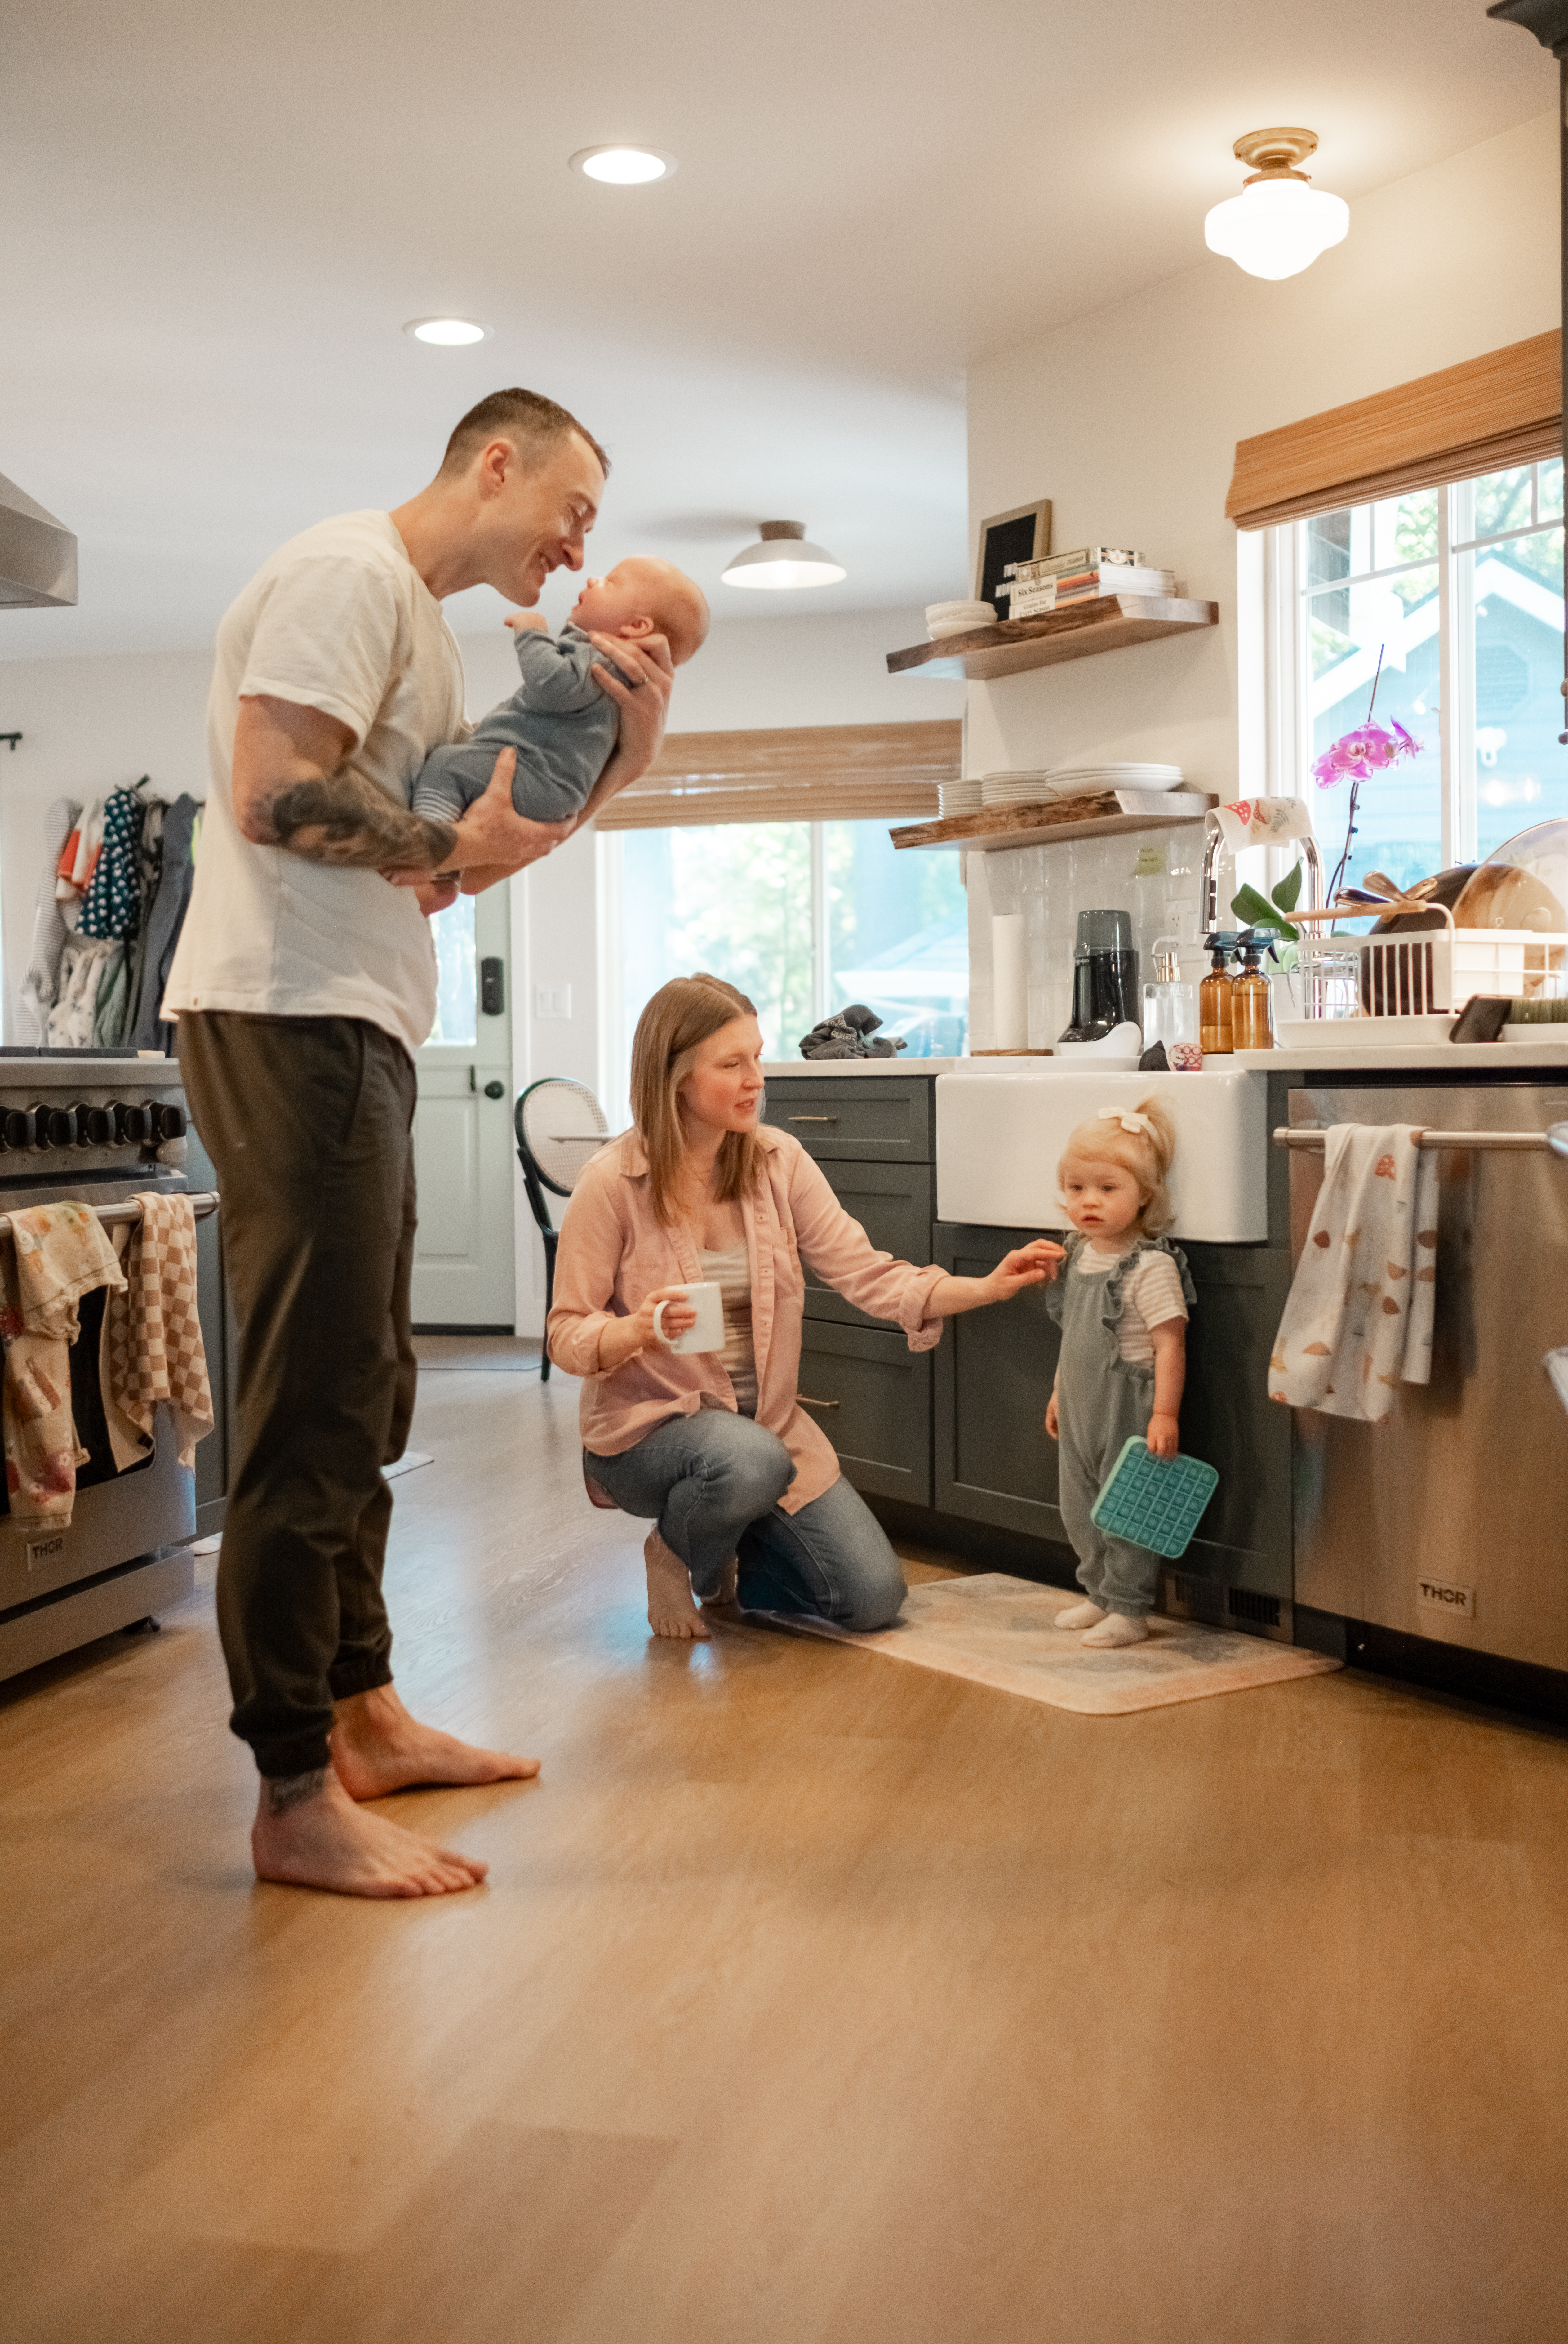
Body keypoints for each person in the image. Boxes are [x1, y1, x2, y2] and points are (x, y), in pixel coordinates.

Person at [163, 387, 674, 1898]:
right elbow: (271, 796)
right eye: (571, 509)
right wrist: (447, 846)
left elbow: (449, 856)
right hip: (287, 1016)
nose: (582, 544)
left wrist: (622, 757)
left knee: (368, 1394)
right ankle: (288, 1789)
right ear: (493, 463)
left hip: (357, 1017)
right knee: (311, 1407)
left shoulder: (428, 638)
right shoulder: (346, 576)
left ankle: (363, 1711)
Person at [547, 973, 1063, 1640]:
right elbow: (566, 1333)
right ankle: (673, 1554)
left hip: (764, 1432)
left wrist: (988, 1286)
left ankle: (729, 1536)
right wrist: (637, 1331)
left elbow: (868, 1273)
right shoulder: (612, 1183)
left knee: (870, 1598)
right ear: (675, 1076)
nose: (755, 1079)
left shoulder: (775, 1161)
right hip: (649, 1438)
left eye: (756, 1057)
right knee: (747, 1459)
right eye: (732, 1064)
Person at [1044, 1100, 1194, 1649]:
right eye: (1077, 1187)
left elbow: (1170, 1343)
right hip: (1081, 1404)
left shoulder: (1149, 1266)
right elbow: (1071, 1340)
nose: (1089, 1200)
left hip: (1128, 1404)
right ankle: (1099, 1593)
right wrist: (1058, 1392)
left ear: (1144, 1196)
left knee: (1127, 1506)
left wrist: (1164, 1413)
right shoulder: (1079, 1255)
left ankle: (1130, 1607)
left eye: (1107, 1188)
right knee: (1079, 1506)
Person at [410, 558, 710, 829]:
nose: (593, 580)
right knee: (461, 769)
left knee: (446, 766)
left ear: (636, 626)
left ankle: (425, 847)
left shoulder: (602, 659)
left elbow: (552, 686)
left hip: (539, 781)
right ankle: (444, 872)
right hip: (545, 785)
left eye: (611, 581)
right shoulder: (609, 672)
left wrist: (532, 634)